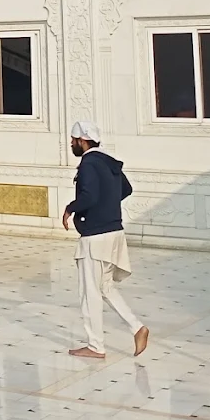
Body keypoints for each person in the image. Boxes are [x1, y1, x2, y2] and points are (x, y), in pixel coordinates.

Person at [62, 120, 149, 359]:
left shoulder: (89, 164)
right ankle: (137, 328)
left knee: (89, 292)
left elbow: (89, 196)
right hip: (113, 232)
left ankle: (95, 345)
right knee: (105, 288)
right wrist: (107, 205)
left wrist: (71, 208)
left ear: (83, 140)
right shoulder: (108, 162)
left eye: (73, 140)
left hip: (96, 237)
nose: (71, 143)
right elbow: (126, 189)